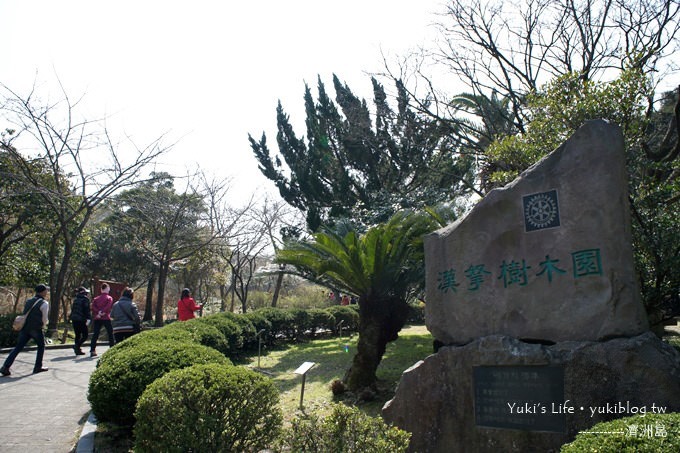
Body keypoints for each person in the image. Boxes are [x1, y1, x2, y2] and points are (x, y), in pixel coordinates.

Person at [1, 284, 50, 376]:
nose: (47, 292)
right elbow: (44, 318)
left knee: (18, 347)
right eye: (46, 291)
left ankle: (5, 367)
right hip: (36, 328)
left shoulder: (29, 301)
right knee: (41, 346)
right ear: (43, 292)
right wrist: (43, 325)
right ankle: (37, 367)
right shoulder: (44, 303)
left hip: (25, 327)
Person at [90, 282, 115, 357]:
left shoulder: (96, 299)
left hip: (98, 317)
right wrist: (103, 312)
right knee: (110, 333)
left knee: (96, 334)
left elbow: (92, 307)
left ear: (101, 289)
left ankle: (92, 350)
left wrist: (98, 312)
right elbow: (108, 306)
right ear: (107, 289)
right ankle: (112, 348)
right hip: (106, 317)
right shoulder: (109, 298)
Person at [70, 286, 91, 355]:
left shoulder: (75, 299)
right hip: (81, 319)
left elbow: (73, 310)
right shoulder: (85, 299)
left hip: (74, 319)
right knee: (85, 335)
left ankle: (77, 350)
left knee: (77, 335)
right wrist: (88, 318)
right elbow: (86, 310)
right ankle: (77, 346)